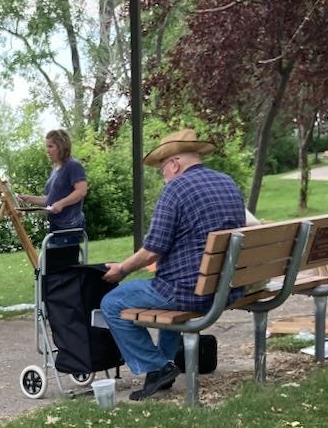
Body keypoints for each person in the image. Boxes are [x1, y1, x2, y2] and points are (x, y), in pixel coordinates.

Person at [99, 128, 246, 400]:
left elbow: (153, 249)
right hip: (227, 288)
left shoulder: (176, 190)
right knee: (169, 288)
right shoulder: (227, 182)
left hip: (190, 292)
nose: (163, 175)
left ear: (175, 164)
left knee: (112, 303)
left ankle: (155, 366)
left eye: (162, 169)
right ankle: (164, 369)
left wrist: (122, 269)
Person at [18, 129, 88, 268]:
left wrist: (62, 203)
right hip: (56, 226)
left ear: (61, 147)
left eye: (51, 146)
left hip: (69, 226)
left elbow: (81, 191)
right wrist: (28, 199)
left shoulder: (73, 166)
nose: (47, 151)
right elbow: (50, 200)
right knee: (52, 267)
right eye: (47, 146)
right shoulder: (56, 169)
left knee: (61, 268)